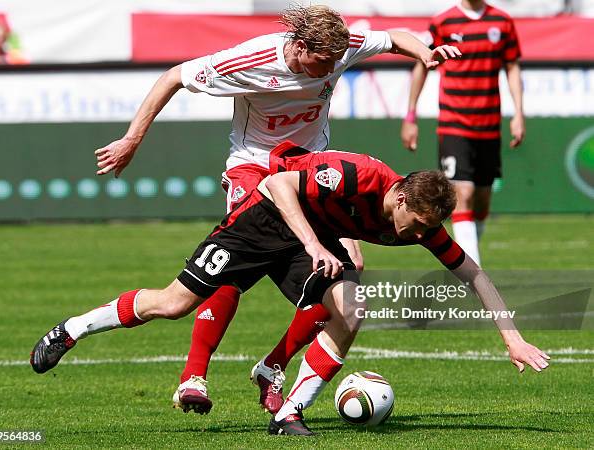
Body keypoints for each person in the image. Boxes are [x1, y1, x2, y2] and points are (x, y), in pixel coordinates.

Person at [31, 141, 550, 436]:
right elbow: (278, 185)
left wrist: (512, 338)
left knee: (352, 307)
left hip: (310, 241)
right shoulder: (357, 174)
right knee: (173, 304)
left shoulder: (422, 224)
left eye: (420, 231)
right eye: (410, 224)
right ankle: (72, 329)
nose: (410, 236)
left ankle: (289, 411)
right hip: (262, 222)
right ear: (397, 193)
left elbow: (474, 275)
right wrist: (319, 244)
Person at [93, 5, 461, 414]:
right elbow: (173, 77)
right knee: (237, 263)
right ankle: (194, 375)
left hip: (312, 171)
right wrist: (132, 139)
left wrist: (425, 53)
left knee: (347, 272)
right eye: (322, 62)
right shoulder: (252, 60)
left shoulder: (338, 49)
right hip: (254, 168)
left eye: (333, 63)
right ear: (300, 47)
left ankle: (273, 366)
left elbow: (393, 37)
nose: (328, 71)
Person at [401, 0, 524, 266]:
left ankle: (471, 257)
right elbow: (423, 64)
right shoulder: (442, 21)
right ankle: (474, 272)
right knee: (462, 194)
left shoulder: (502, 22)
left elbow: (512, 67)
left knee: (481, 200)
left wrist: (518, 113)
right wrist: (410, 116)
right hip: (454, 122)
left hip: (489, 125)